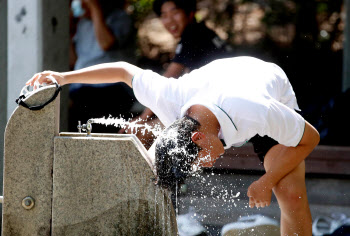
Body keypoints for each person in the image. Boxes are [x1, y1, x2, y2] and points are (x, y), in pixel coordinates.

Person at [27, 56, 320, 236]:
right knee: (150, 170)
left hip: (263, 83)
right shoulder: (169, 97)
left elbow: (311, 139)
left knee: (289, 191)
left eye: (200, 161)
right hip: (214, 89)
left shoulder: (259, 110)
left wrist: (266, 181)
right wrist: (64, 78)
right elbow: (123, 71)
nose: (206, 166)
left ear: (198, 138)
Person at [119, 0, 232, 148]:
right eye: (164, 15)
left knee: (140, 132)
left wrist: (142, 118)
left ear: (190, 13)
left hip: (221, 114)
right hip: (222, 109)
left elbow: (166, 81)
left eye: (175, 13)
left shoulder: (192, 35)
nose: (170, 20)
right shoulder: (202, 32)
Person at [69, 0, 136, 132]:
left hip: (112, 88)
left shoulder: (119, 18)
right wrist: (69, 30)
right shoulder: (82, 24)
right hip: (83, 89)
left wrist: (95, 9)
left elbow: (106, 43)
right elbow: (73, 60)